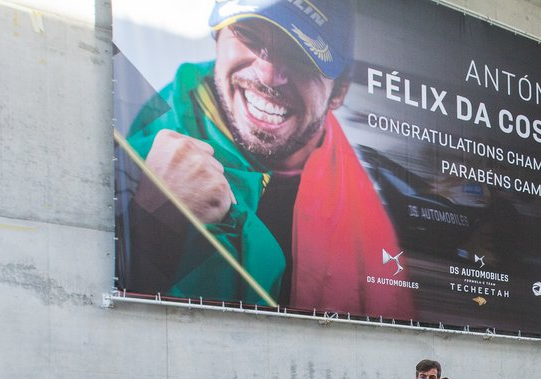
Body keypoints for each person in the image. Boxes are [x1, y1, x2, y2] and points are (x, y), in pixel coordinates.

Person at [118, 1, 409, 318]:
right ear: (217, 37)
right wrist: (150, 220)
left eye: (302, 55)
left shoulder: (369, 226)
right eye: (248, 35)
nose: (268, 74)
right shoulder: (129, 150)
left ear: (338, 92)